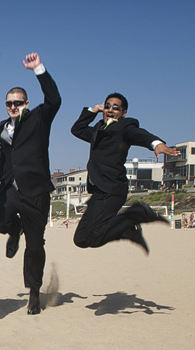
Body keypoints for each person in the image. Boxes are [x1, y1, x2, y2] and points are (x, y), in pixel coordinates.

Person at [0, 53, 60, 315]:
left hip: (36, 191)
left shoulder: (39, 118)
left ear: (26, 103)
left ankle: (33, 293)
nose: (13, 106)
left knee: (36, 245)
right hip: (11, 189)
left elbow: (54, 99)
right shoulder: (3, 129)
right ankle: (13, 230)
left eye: (18, 102)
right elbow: (3, 157)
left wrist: (38, 69)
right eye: (9, 103)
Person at [70, 93, 180, 253]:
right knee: (80, 240)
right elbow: (77, 129)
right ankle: (128, 230)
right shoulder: (98, 130)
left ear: (124, 112)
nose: (110, 110)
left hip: (111, 189)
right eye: (107, 106)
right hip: (98, 192)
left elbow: (140, 135)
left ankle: (137, 213)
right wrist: (93, 110)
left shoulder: (124, 127)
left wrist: (156, 144)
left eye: (116, 107)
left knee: (93, 238)